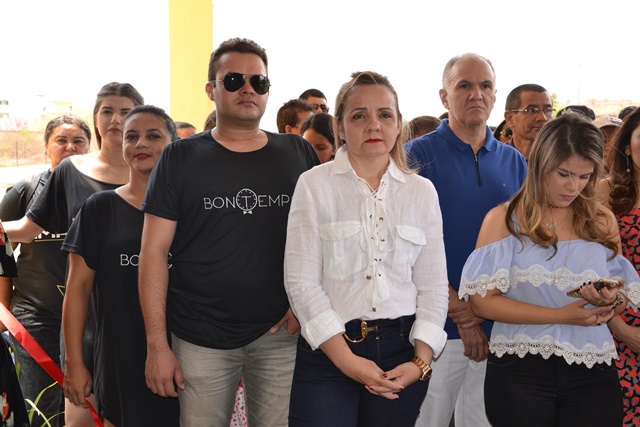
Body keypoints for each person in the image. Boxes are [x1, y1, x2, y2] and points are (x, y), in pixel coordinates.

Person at [139, 37, 319, 427]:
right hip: (199, 339)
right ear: (211, 89)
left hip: (282, 335)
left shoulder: (297, 153)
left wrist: (305, 305)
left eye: (259, 81)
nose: (248, 89)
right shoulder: (179, 157)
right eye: (234, 80)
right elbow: (153, 252)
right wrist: (157, 345)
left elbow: (320, 240)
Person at [284, 71, 448, 427]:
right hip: (329, 351)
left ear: (398, 124)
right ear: (340, 126)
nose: (374, 124)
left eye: (384, 114)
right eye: (359, 115)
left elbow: (433, 287)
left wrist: (420, 362)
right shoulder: (313, 185)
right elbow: (301, 283)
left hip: (402, 354)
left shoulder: (421, 192)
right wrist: (348, 361)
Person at [460, 113, 639, 427]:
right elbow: (483, 303)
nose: (574, 186)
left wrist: (609, 300)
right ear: (540, 163)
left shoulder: (602, 220)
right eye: (564, 174)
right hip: (520, 368)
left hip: (593, 366)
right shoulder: (503, 220)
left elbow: (621, 298)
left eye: (584, 176)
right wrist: (561, 315)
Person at [0, 82, 144, 427]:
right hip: (84, 315)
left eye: (125, 111)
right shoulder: (71, 171)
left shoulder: (157, 169)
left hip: (143, 311)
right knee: (79, 414)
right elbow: (27, 228)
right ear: (96, 118)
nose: (116, 119)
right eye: (107, 111)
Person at [406, 53, 527, 427]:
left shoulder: (515, 162)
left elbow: (525, 246)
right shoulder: (416, 156)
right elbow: (405, 248)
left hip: (501, 327)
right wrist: (462, 313)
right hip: (437, 328)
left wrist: (487, 314)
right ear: (444, 96)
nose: (477, 94)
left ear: (495, 95)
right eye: (464, 85)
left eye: (485, 85)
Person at [62, 105, 179, 427]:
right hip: (120, 357)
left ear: (173, 145)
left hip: (188, 354)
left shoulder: (191, 210)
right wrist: (74, 363)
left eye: (153, 136)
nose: (141, 144)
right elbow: (77, 289)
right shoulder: (99, 208)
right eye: (131, 137)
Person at [0, 115, 91, 427]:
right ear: (46, 147)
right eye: (61, 141)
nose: (70, 147)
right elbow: (3, 255)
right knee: (43, 407)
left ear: (90, 147)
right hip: (36, 318)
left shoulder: (102, 191)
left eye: (78, 141)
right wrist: (4, 310)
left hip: (92, 317)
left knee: (87, 404)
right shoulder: (24, 191)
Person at [596, 106, 640, 426]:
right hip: (617, 327)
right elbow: (593, 268)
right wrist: (621, 328)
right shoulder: (605, 191)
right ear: (627, 145)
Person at [503, 83, 554, 161]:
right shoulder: (496, 159)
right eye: (531, 110)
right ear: (510, 118)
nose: (542, 118)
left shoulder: (564, 159)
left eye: (547, 110)